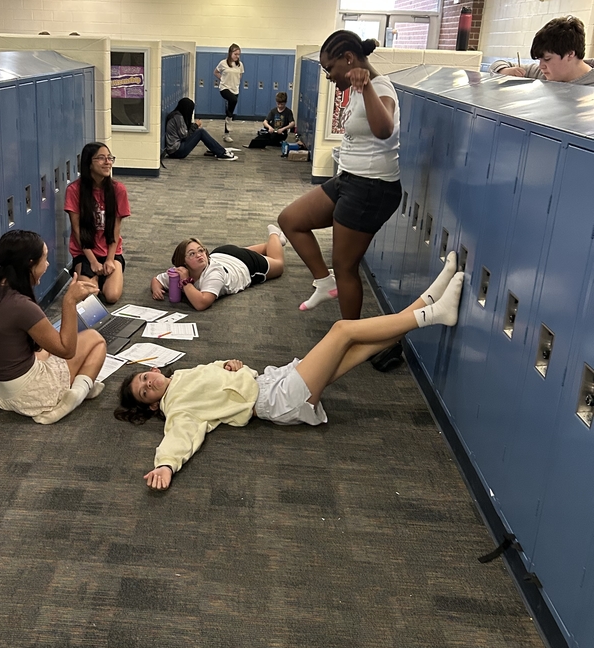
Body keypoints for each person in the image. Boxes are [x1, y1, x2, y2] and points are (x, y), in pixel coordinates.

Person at [117, 258, 464, 490]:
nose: (149, 383)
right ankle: (434, 314)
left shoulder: (181, 378)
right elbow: (179, 437)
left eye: (144, 377)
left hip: (269, 380)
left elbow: (219, 380)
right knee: (342, 331)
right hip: (275, 401)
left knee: (362, 349)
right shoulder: (176, 407)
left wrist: (232, 366)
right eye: (145, 391)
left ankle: (429, 298)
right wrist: (165, 466)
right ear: (151, 406)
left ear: (152, 369)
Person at [278, 30, 401, 318]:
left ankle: (349, 337)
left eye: (330, 68)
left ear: (349, 59)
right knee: (290, 220)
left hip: (372, 187)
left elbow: (384, 130)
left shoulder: (381, 88)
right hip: (348, 178)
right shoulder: (357, 90)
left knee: (346, 266)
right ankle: (324, 282)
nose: (328, 76)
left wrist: (367, 87)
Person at [0, 230, 106, 425]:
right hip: (28, 393)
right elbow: (67, 350)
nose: (47, 264)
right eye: (45, 259)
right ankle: (76, 394)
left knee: (44, 352)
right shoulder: (22, 306)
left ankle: (81, 383)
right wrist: (69, 301)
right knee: (95, 339)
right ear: (30, 263)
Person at [150, 225, 286, 310]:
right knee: (261, 249)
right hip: (222, 254)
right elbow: (157, 279)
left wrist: (186, 282)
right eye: (192, 254)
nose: (199, 255)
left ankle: (274, 234)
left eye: (201, 250)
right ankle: (274, 243)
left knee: (278, 264)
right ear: (183, 263)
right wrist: (156, 289)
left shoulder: (214, 273)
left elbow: (201, 303)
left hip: (244, 264)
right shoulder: (179, 272)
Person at [64, 142, 131, 304]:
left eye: (109, 158)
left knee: (112, 296)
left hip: (110, 251)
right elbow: (77, 229)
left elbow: (116, 229)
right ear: (88, 163)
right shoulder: (74, 190)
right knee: (88, 298)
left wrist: (109, 259)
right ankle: (90, 275)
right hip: (85, 253)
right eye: (101, 158)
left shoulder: (118, 189)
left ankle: (104, 277)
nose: (107, 162)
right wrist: (93, 262)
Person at [490, 16, 594, 85]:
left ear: (570, 54)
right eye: (540, 60)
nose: (541, 66)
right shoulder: (542, 73)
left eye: (547, 59)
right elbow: (496, 66)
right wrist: (504, 71)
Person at [164, 98, 238, 161]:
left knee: (199, 131)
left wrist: (194, 126)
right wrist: (195, 126)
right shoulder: (178, 117)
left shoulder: (177, 115)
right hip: (177, 151)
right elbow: (184, 135)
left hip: (176, 149)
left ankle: (215, 149)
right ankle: (221, 153)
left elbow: (185, 130)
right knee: (200, 132)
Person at [213, 44, 244, 135]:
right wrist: (222, 78)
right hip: (224, 88)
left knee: (230, 111)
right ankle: (229, 117)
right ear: (230, 53)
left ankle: (226, 134)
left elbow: (240, 75)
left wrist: (236, 82)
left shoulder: (240, 65)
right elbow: (216, 72)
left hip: (235, 89)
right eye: (235, 54)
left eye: (239, 54)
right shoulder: (223, 63)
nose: (237, 56)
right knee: (233, 101)